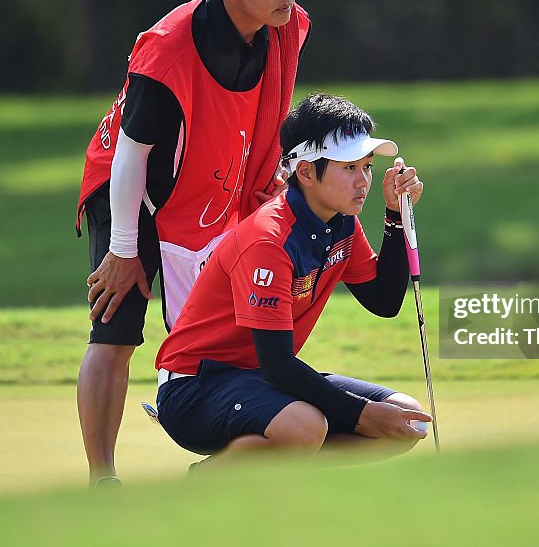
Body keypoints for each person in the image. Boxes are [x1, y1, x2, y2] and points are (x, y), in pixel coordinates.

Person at [75, 0, 320, 487]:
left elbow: (260, 121)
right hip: (129, 191)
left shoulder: (273, 34)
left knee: (219, 335)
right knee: (116, 329)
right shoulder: (169, 47)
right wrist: (126, 249)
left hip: (208, 189)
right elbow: (133, 151)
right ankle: (101, 482)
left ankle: (223, 460)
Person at [153, 93, 430, 469]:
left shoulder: (341, 222)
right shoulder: (268, 240)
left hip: (261, 380)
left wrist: (395, 215)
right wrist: (363, 414)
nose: (363, 181)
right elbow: (279, 364)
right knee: (305, 426)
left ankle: (252, 473)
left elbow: (384, 301)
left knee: (406, 417)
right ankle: (214, 482)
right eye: (349, 168)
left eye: (366, 167)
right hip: (195, 388)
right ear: (306, 172)